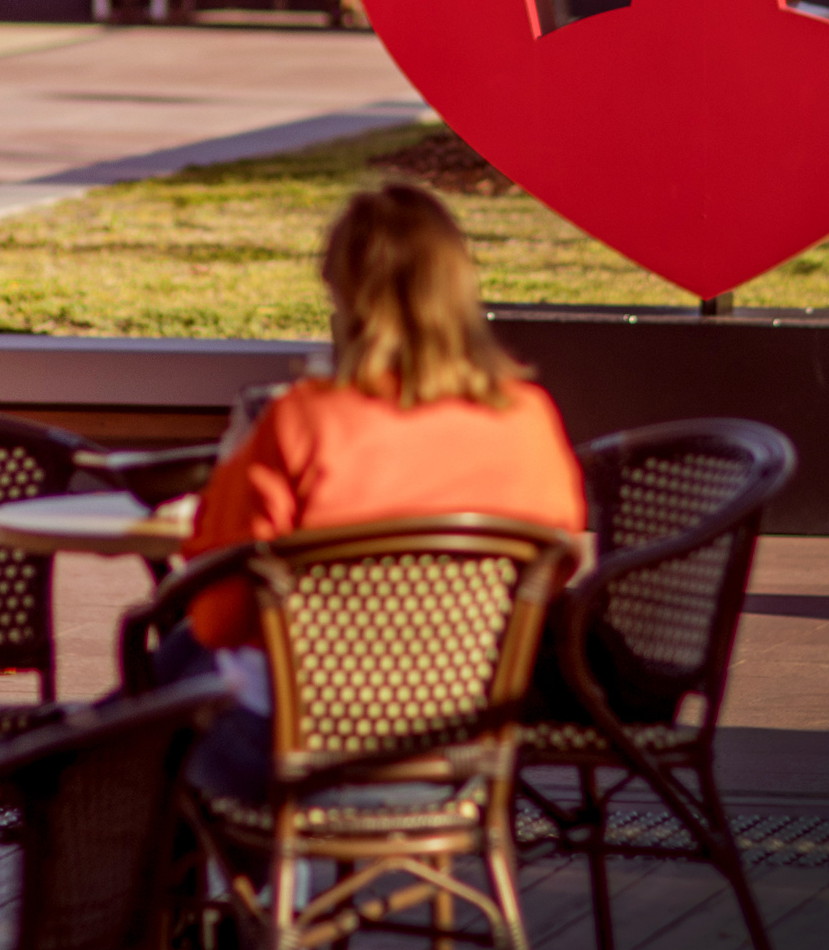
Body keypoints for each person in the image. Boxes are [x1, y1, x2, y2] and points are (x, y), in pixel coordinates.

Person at [162, 180, 587, 802]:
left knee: (163, 680)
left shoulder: (301, 421)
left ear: (342, 293)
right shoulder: (528, 418)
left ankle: (218, 893)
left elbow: (220, 618)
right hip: (462, 750)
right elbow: (553, 575)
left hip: (294, 757)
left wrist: (232, 469)